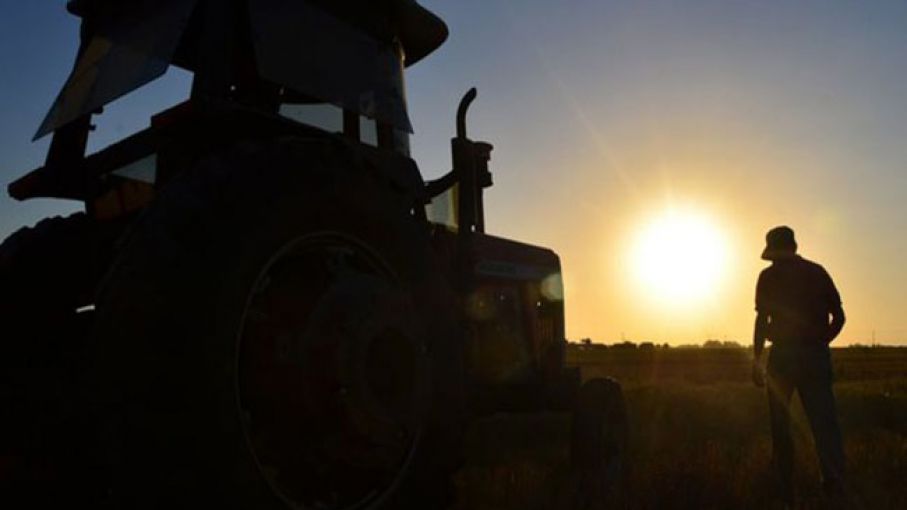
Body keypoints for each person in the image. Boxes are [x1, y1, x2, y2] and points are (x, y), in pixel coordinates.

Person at [751, 226, 846, 504]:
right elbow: (839, 316)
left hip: (781, 359)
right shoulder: (817, 272)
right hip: (812, 358)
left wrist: (757, 359)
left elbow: (761, 321)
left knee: (780, 425)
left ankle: (785, 486)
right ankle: (834, 486)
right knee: (824, 425)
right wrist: (821, 342)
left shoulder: (767, 277)